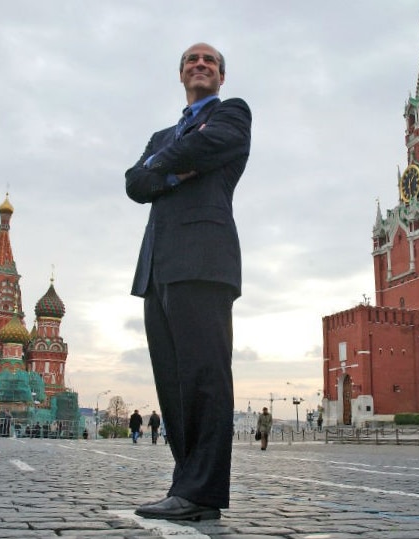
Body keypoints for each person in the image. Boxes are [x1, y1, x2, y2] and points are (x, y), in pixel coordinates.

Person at [127, 42, 251, 521]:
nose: (200, 66)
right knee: (174, 383)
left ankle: (202, 493)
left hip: (204, 260)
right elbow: (134, 184)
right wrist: (175, 169)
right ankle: (186, 486)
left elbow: (208, 146)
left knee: (205, 377)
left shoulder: (232, 114)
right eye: (191, 61)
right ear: (181, 74)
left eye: (210, 62)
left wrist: (162, 167)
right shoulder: (162, 134)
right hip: (157, 267)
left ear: (220, 76)